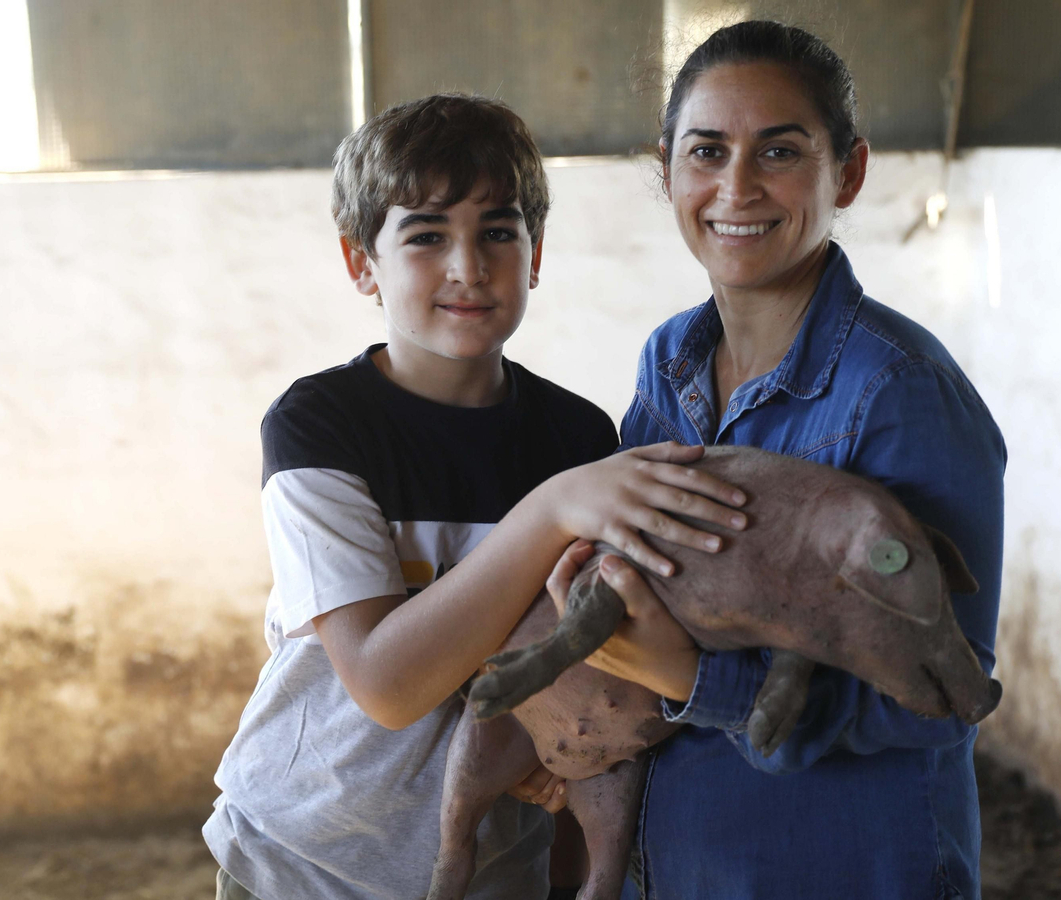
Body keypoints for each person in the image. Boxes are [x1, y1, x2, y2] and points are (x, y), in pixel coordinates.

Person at [200, 94, 748, 900]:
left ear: (534, 255)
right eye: (426, 235)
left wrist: (557, 760)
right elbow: (387, 686)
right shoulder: (320, 427)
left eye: (498, 231)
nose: (468, 265)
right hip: (300, 861)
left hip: (495, 871)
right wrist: (552, 511)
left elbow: (579, 661)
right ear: (362, 264)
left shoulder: (576, 439)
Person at [553, 21, 1008, 899]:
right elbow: (637, 570)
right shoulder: (671, 361)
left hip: (842, 868)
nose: (737, 186)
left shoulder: (898, 392)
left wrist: (690, 679)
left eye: (781, 152)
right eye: (707, 151)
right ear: (669, 170)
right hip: (683, 860)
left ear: (851, 172)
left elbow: (940, 696)